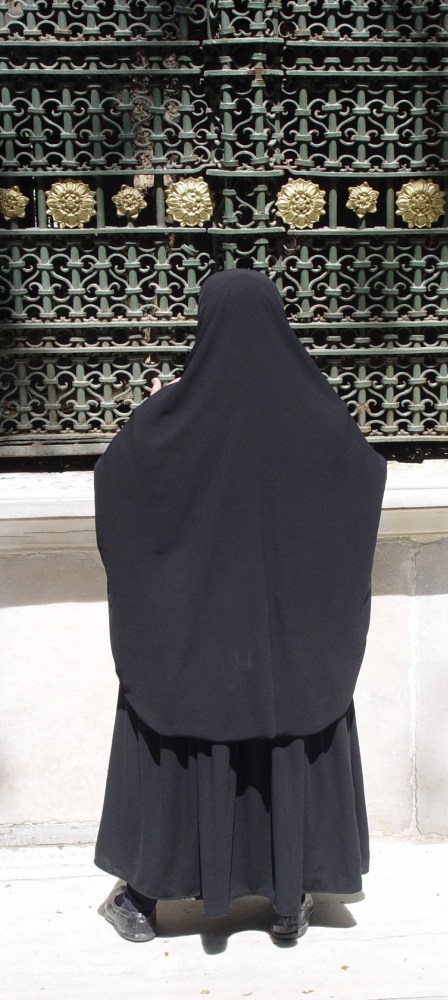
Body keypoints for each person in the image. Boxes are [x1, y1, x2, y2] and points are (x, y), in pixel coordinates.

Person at [93, 268, 387, 943]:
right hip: (285, 650)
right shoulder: (317, 411)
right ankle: (289, 902)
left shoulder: (173, 418)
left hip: (198, 646)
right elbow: (363, 473)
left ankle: (141, 900)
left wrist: (155, 413)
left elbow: (120, 477)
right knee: (287, 733)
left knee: (178, 731)